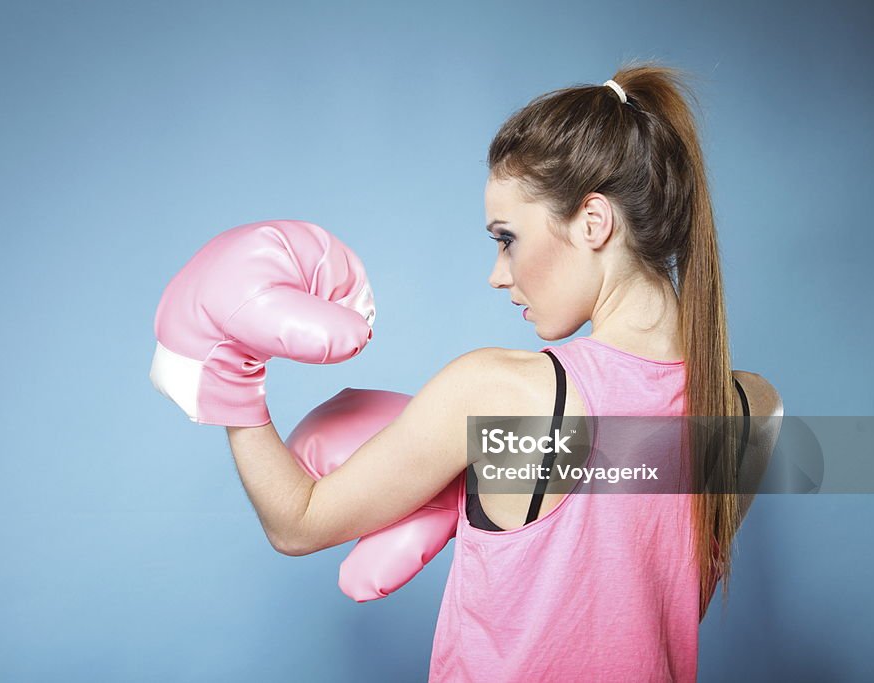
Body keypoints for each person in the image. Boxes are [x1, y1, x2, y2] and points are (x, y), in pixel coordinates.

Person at [223, 62, 783, 682]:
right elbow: (652, 610)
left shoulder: (497, 392)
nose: (498, 272)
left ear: (594, 222)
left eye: (507, 237)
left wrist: (229, 372)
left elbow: (296, 522)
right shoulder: (751, 408)